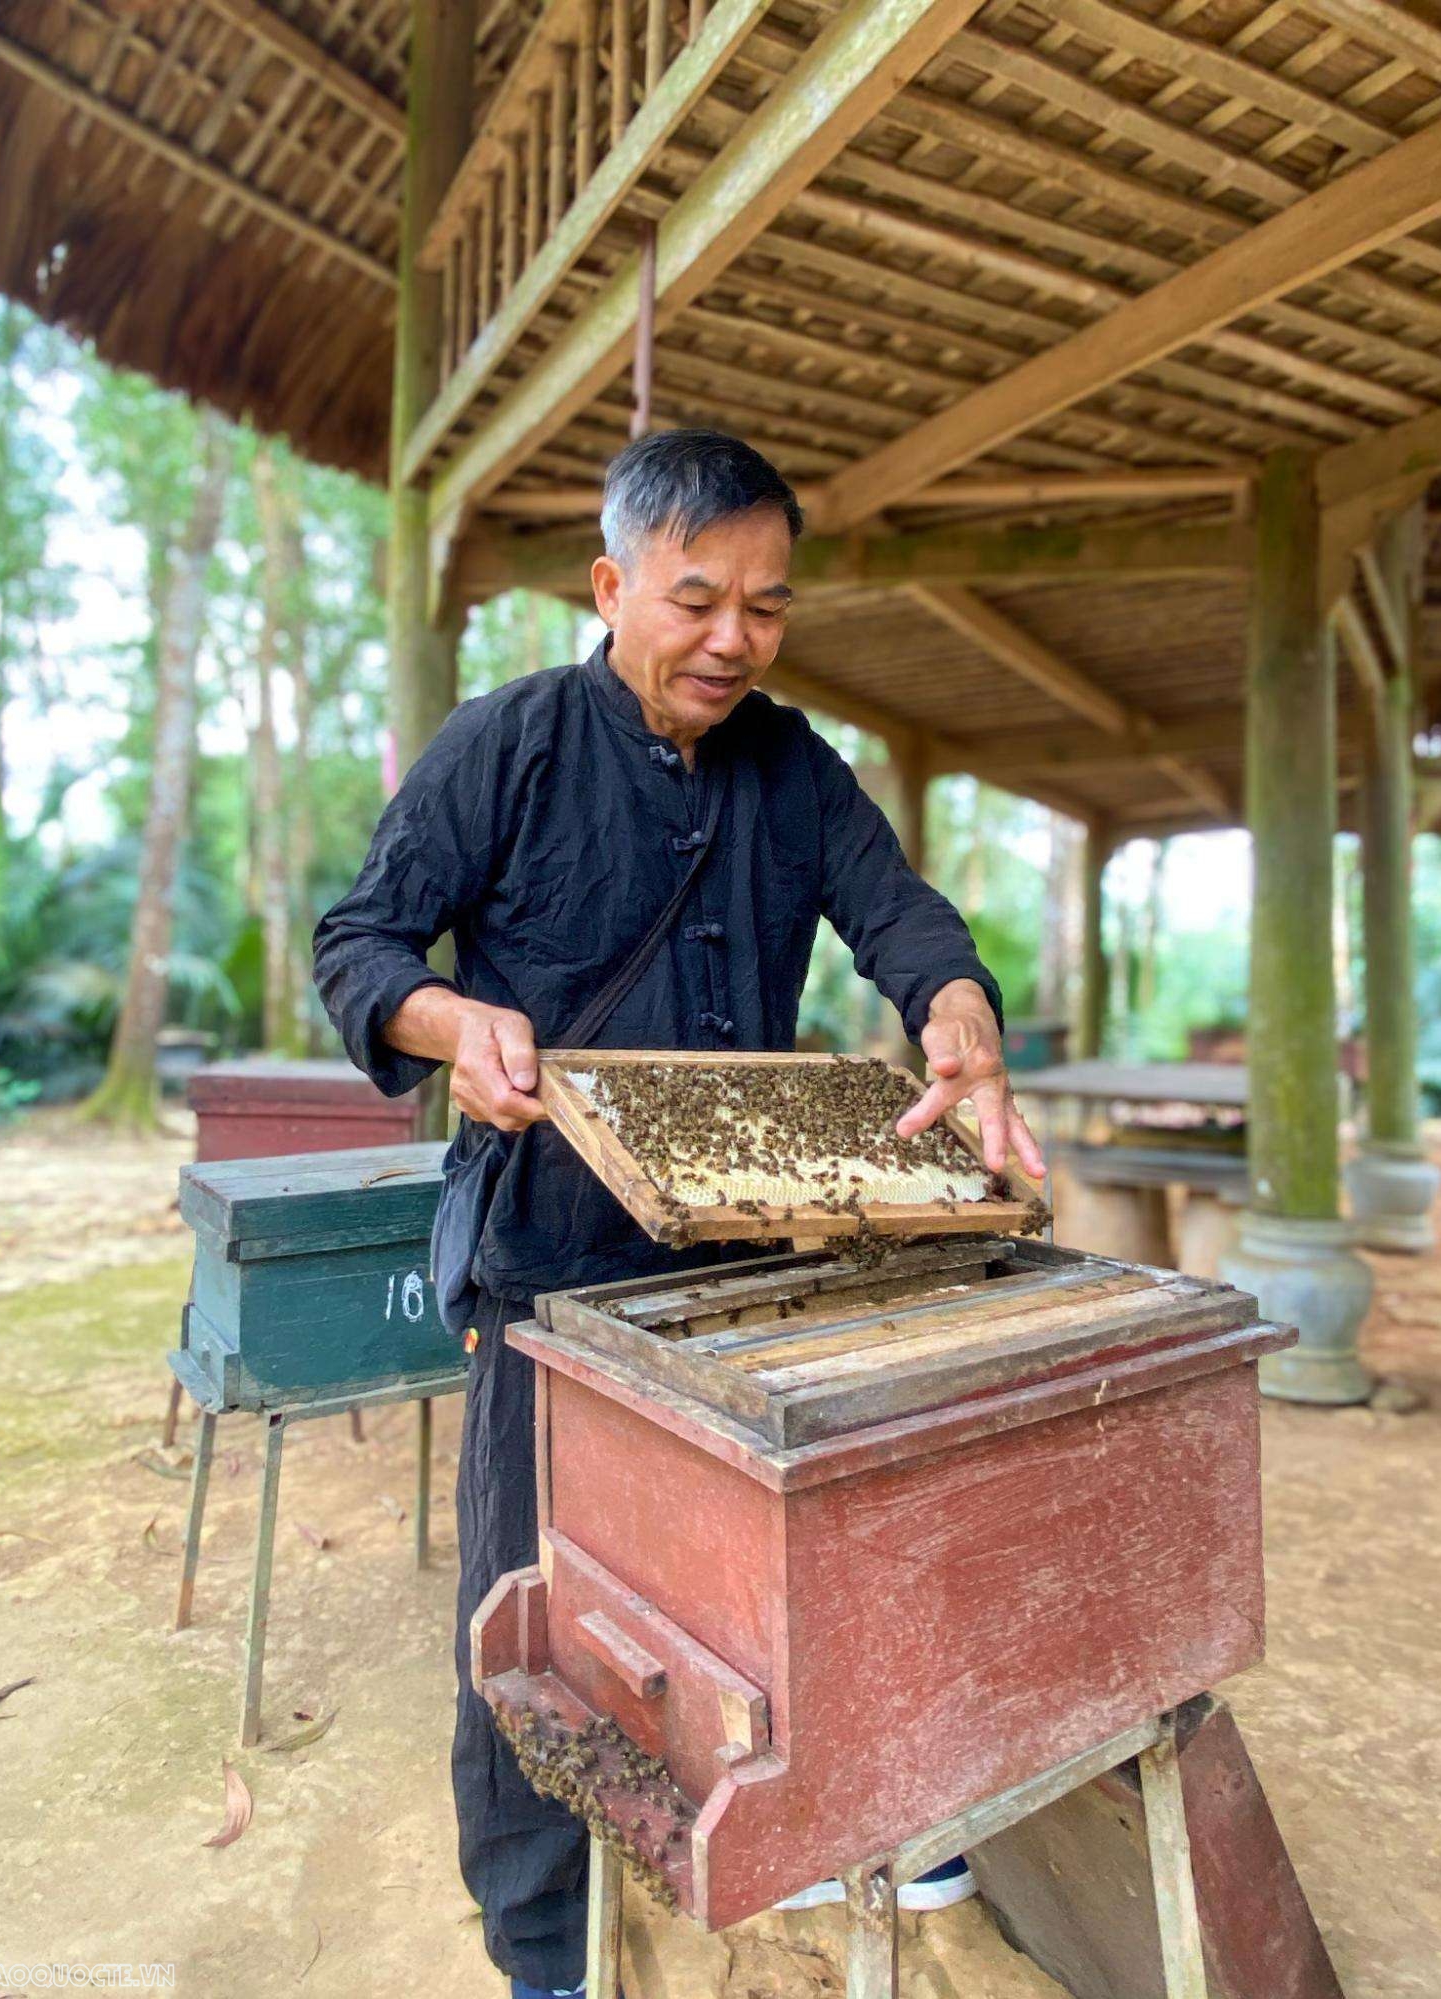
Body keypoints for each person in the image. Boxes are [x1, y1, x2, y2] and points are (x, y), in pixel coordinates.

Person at [313, 428, 1044, 1999]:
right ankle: (541, 1951)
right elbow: (360, 943)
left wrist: (961, 1010)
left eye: (767, 610)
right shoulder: (505, 743)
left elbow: (903, 918)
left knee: (808, 1538)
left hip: (748, 1258)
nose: (733, 640)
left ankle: (856, 1809)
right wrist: (458, 1027)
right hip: (546, 1262)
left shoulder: (795, 765)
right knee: (534, 1607)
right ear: (614, 585)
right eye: (698, 600)